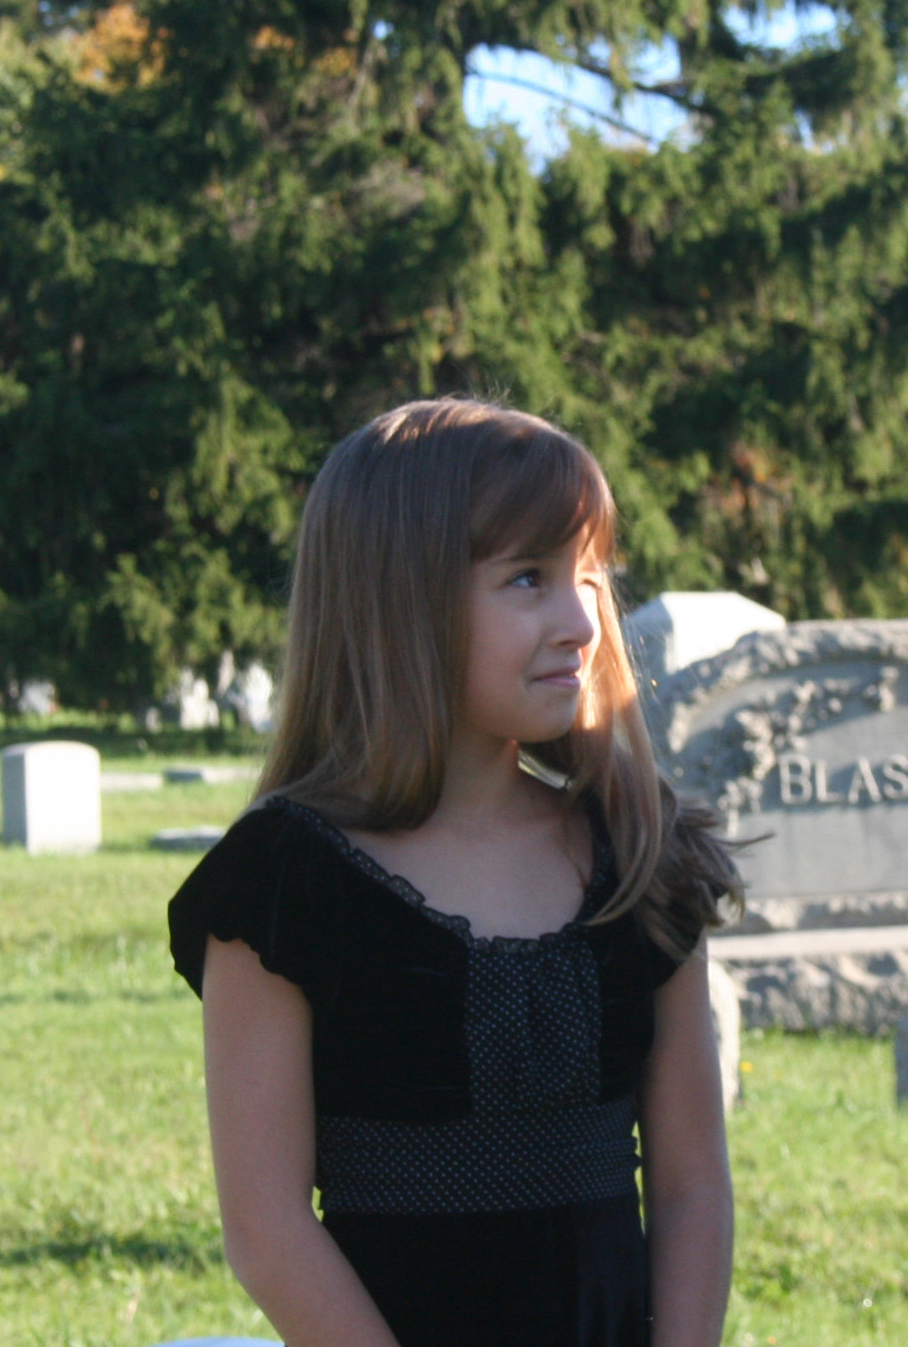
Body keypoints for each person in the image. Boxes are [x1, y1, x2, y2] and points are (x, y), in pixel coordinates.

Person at [168, 398, 742, 1347]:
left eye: (591, 576)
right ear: (400, 600)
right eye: (528, 579)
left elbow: (691, 1185)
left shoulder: (643, 853)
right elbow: (268, 1232)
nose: (581, 621)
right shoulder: (283, 887)